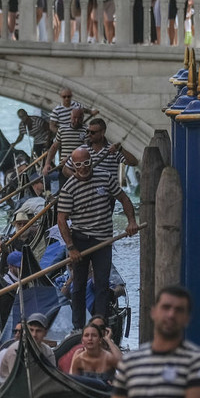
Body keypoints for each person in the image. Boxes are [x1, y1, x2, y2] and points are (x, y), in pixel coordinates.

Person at [106, 285, 200, 398]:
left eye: (179, 310)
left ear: (187, 318)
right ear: (153, 312)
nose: (171, 314)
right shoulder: (131, 362)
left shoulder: (198, 362)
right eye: (166, 307)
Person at [57, 147, 138, 331]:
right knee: (77, 286)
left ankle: (99, 325)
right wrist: (70, 247)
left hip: (103, 241)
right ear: (74, 166)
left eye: (86, 163)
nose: (83, 168)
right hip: (80, 241)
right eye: (79, 165)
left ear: (91, 161)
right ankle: (78, 328)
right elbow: (61, 220)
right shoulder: (68, 188)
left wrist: (131, 221)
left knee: (101, 283)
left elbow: (124, 199)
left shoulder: (106, 177)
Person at [63, 118, 138, 179]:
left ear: (102, 132)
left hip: (108, 194)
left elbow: (134, 162)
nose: (89, 135)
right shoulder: (82, 150)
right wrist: (78, 177)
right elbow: (66, 169)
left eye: (92, 132)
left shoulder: (114, 150)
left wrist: (121, 149)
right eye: (87, 131)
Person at [0, 313, 56, 382]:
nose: (34, 335)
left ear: (45, 333)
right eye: (31, 330)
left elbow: (52, 376)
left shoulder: (48, 352)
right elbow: (15, 381)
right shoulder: (15, 351)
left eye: (38, 331)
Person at [45, 108, 88, 189]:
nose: (76, 120)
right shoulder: (62, 129)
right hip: (63, 168)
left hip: (79, 169)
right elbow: (54, 147)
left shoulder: (87, 130)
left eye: (79, 118)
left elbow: (86, 149)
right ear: (70, 117)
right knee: (64, 190)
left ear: (83, 118)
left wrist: (69, 157)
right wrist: (47, 163)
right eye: (74, 118)